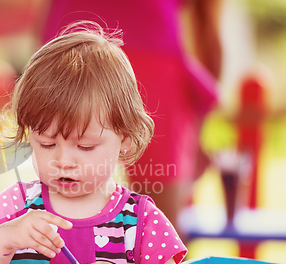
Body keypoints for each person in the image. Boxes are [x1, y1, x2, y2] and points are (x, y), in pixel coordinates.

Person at [0, 21, 187, 264]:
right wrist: (4, 237)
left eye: (85, 146)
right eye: (47, 144)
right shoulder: (19, 205)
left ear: (125, 142)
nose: (64, 161)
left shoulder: (141, 219)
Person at [41, 0, 221, 241]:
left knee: (59, 218)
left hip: (70, 45)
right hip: (143, 53)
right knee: (162, 230)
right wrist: (196, 133)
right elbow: (207, 28)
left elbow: (206, 26)